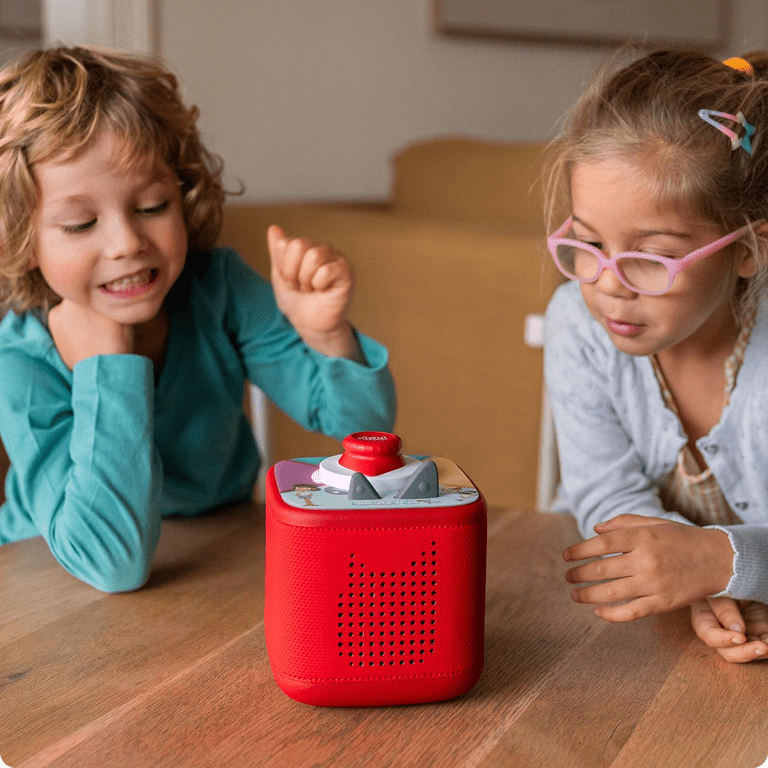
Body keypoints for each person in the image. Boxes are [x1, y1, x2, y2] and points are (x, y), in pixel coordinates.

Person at [0, 46, 396, 592]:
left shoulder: (219, 287)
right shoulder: (19, 361)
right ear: (20, 241)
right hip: (49, 577)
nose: (127, 243)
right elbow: (111, 564)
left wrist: (327, 336)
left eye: (152, 207)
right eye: (80, 223)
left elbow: (363, 427)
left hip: (216, 553)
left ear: (182, 196)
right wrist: (110, 365)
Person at [542, 49, 768, 663]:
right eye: (588, 243)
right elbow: (602, 492)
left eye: (654, 256)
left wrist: (718, 561)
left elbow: (710, 561)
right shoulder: (578, 324)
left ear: (747, 246)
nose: (608, 282)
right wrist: (698, 580)